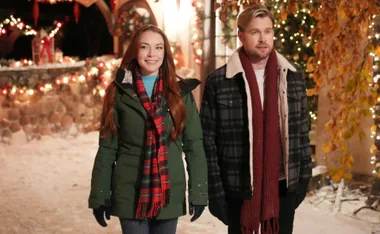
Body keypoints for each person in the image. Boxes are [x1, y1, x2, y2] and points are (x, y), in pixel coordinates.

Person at [200, 4, 312, 234]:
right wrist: (215, 190)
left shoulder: (293, 76)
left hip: (282, 186)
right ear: (241, 35)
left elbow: (302, 131)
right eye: (255, 32)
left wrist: (303, 179)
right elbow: (207, 142)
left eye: (268, 31)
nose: (263, 38)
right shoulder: (220, 81)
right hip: (237, 186)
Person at [88, 24, 208, 234]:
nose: (152, 54)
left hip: (169, 190)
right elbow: (107, 148)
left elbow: (194, 145)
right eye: (145, 47)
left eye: (158, 47)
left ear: (165, 52)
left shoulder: (181, 93)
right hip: (129, 191)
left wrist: (198, 192)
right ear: (135, 51)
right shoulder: (119, 92)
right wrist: (100, 194)